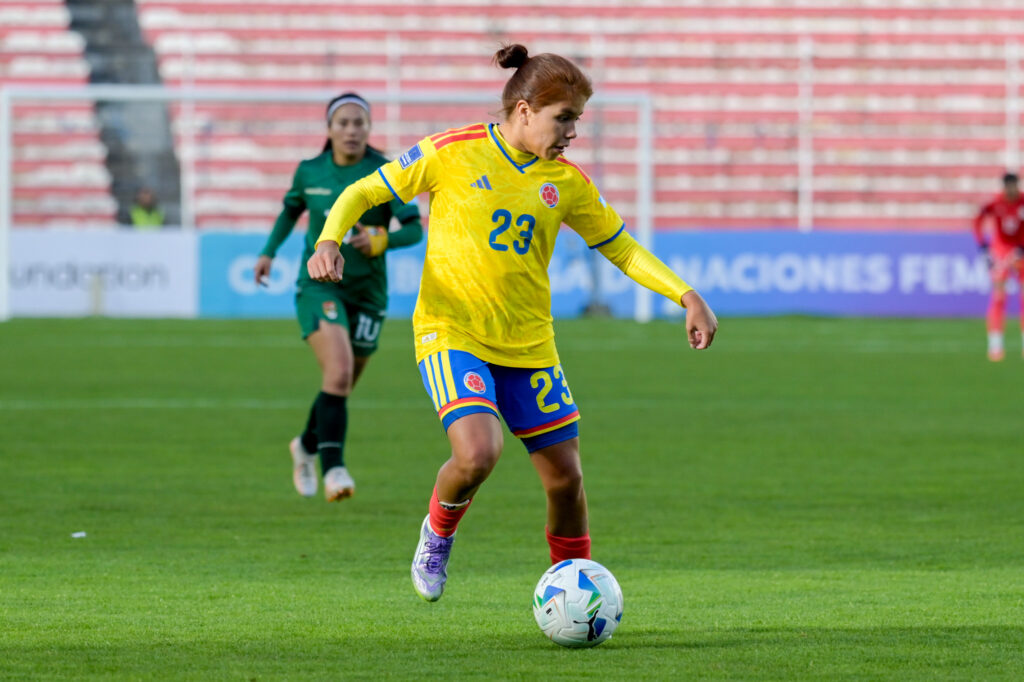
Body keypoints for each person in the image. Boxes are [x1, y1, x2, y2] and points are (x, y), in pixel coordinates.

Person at [307, 45, 717, 601]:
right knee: (478, 453)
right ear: (524, 110)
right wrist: (329, 236)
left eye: (577, 119)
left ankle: (576, 590)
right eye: (564, 118)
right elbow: (365, 189)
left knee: (566, 480)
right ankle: (437, 533)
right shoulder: (453, 151)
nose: (573, 131)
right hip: (452, 331)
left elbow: (621, 249)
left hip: (529, 345)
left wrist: (686, 295)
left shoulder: (565, 182)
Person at [255, 92, 423, 501]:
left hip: (368, 292)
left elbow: (415, 228)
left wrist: (381, 240)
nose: (352, 130)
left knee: (342, 383)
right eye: (343, 123)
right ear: (328, 129)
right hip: (320, 286)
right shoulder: (309, 171)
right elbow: (290, 211)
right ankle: (334, 470)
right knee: (339, 372)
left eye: (359, 123)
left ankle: (306, 446)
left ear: (369, 129)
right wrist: (268, 252)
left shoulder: (386, 172)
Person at [972, 172, 1024, 361]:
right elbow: (977, 221)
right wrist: (983, 245)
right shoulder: (995, 203)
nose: (1011, 190)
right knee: (999, 296)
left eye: (1014, 186)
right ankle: (995, 345)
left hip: (1021, 250)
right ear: (1003, 187)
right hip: (1001, 250)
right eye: (1008, 187)